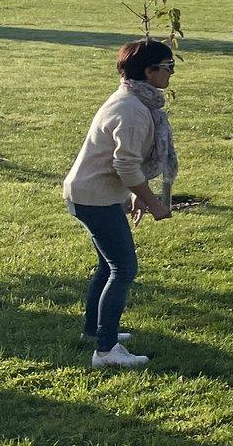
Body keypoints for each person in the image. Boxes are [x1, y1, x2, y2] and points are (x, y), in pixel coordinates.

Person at [63, 39, 177, 368]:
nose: (171, 74)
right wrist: (152, 202)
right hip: (93, 198)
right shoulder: (133, 111)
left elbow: (120, 164)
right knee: (123, 268)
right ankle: (105, 350)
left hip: (93, 193)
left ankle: (95, 330)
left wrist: (133, 197)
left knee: (108, 265)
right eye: (168, 67)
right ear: (149, 71)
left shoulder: (131, 99)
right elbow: (124, 165)